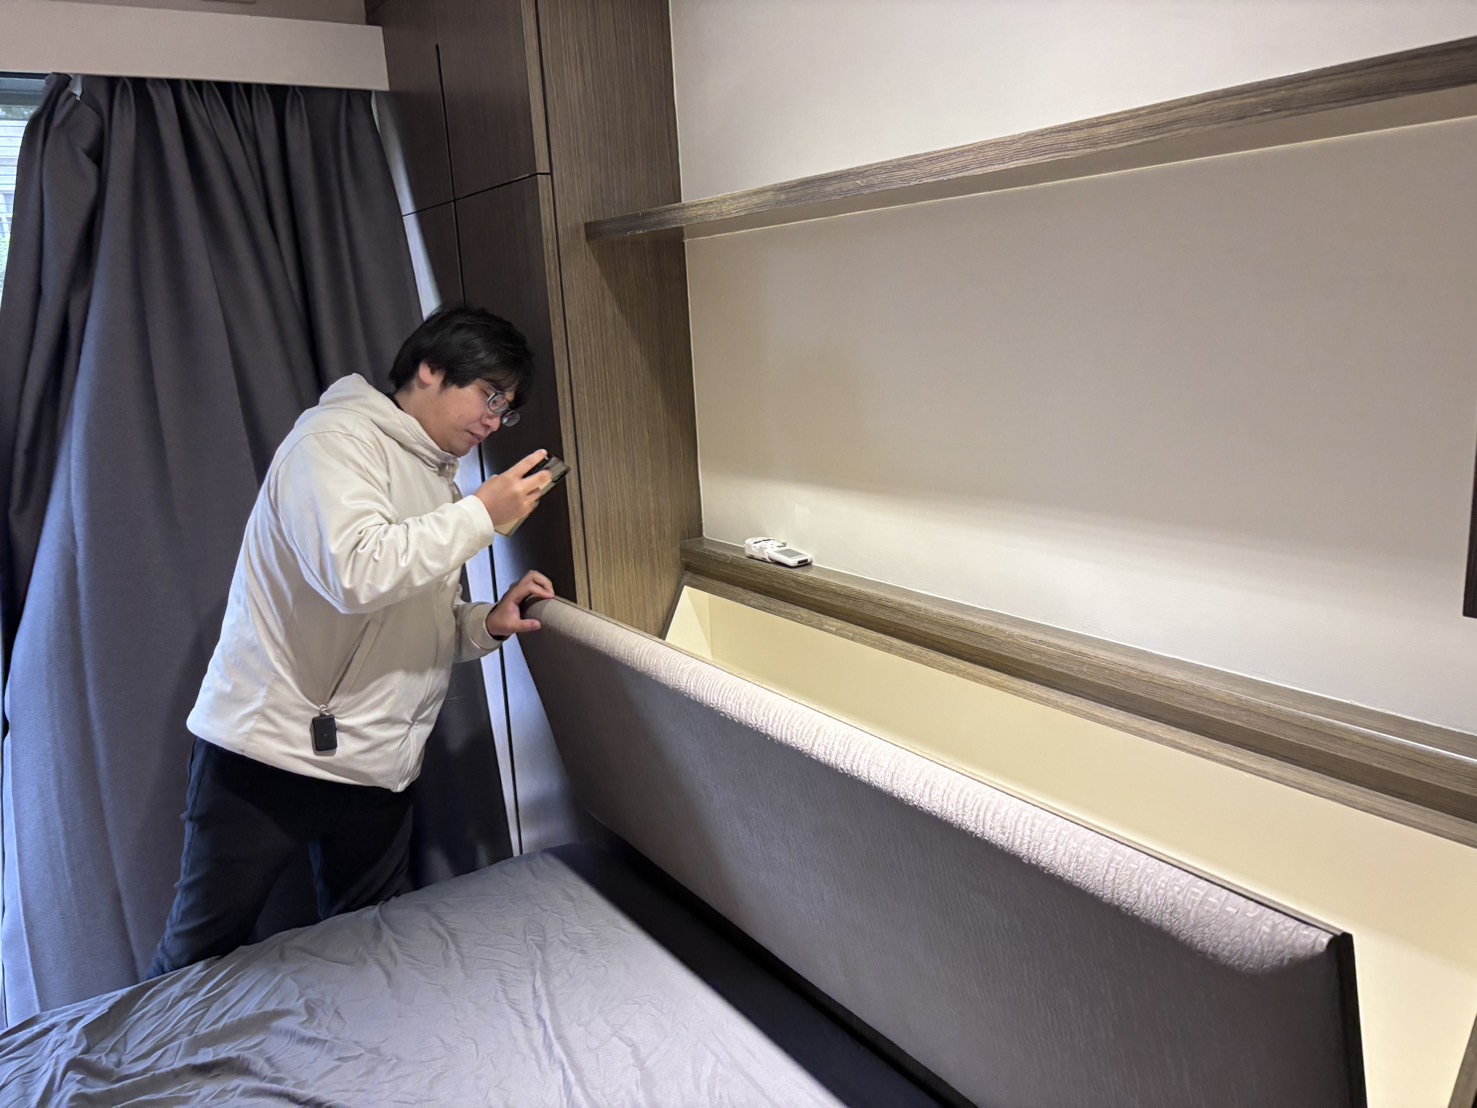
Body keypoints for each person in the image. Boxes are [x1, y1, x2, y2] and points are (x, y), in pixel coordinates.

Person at [149, 304, 556, 977]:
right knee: (197, 956)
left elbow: (407, 622)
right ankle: (148, 1052)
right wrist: (481, 515)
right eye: (490, 395)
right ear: (430, 370)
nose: (494, 420)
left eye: (506, 410)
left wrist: (483, 623)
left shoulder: (437, 477)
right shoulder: (333, 440)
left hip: (378, 763)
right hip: (271, 754)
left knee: (368, 954)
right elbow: (356, 574)